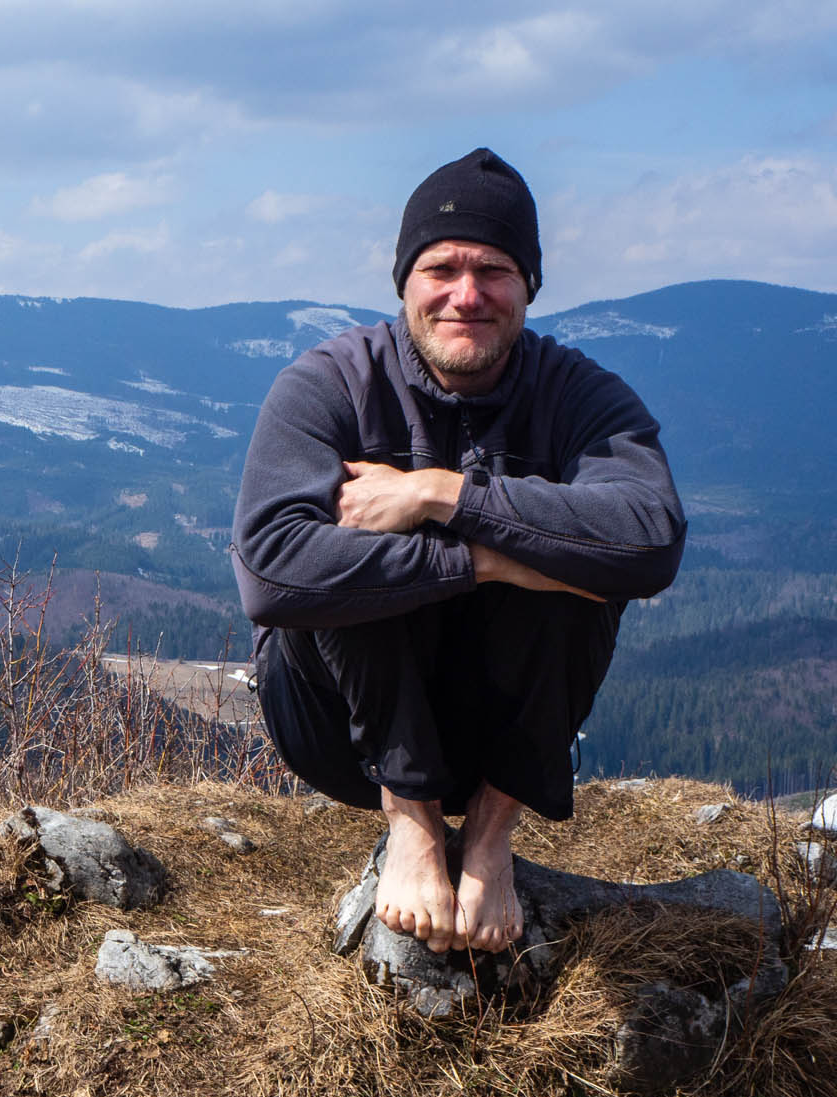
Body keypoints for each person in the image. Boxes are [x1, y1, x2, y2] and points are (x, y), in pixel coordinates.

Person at [230, 148, 685, 955]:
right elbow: (270, 574)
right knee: (359, 550)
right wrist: (483, 558)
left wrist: (442, 494)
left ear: (529, 287)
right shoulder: (331, 382)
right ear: (404, 280)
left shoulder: (579, 394)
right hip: (335, 724)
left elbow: (648, 541)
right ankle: (407, 820)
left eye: (495, 270)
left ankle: (487, 836)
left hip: (495, 726)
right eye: (441, 268)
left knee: (585, 564)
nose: (466, 295)